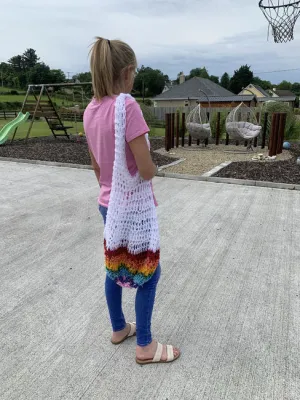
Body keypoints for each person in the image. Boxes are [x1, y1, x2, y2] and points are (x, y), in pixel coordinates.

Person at [83, 37, 180, 365]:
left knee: (115, 267)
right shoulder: (128, 106)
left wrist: (109, 194)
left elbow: (97, 166)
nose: (135, 78)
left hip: (107, 204)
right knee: (149, 272)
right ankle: (146, 346)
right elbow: (146, 169)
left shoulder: (90, 110)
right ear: (126, 72)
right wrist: (155, 166)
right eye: (135, 72)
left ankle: (118, 327)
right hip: (133, 209)